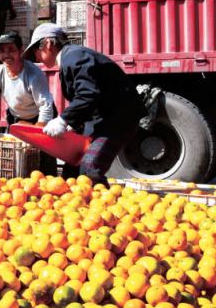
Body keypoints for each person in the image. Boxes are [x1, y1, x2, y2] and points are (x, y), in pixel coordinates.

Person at [25, 22, 145, 185]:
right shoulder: (70, 59)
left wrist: (63, 120)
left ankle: (105, 207)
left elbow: (88, 94)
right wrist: (73, 124)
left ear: (48, 44)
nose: (36, 57)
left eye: (35, 51)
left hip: (117, 120)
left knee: (89, 171)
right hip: (102, 118)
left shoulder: (75, 56)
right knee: (72, 171)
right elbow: (88, 98)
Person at [0, 31, 57, 173]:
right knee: (15, 160)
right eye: (2, 51)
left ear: (20, 51)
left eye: (11, 50)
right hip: (17, 118)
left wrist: (37, 132)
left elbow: (46, 106)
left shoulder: (33, 73)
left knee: (44, 161)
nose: (6, 55)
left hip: (40, 118)